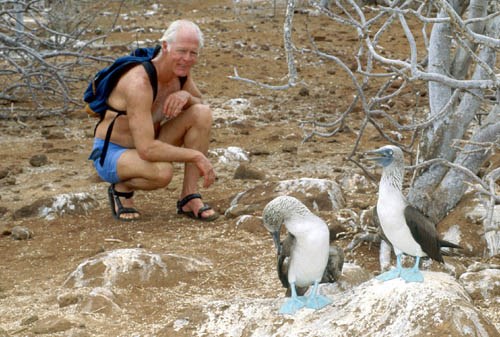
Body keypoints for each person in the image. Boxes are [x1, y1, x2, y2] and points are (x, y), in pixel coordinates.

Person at [89, 19, 219, 222]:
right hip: (114, 152)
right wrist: (196, 156)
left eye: (193, 53)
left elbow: (200, 102)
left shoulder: (180, 74)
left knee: (201, 112)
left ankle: (188, 196)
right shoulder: (139, 83)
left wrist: (186, 97)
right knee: (162, 172)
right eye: (182, 51)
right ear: (165, 47)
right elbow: (147, 149)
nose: (187, 58)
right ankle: (122, 188)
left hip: (151, 142)